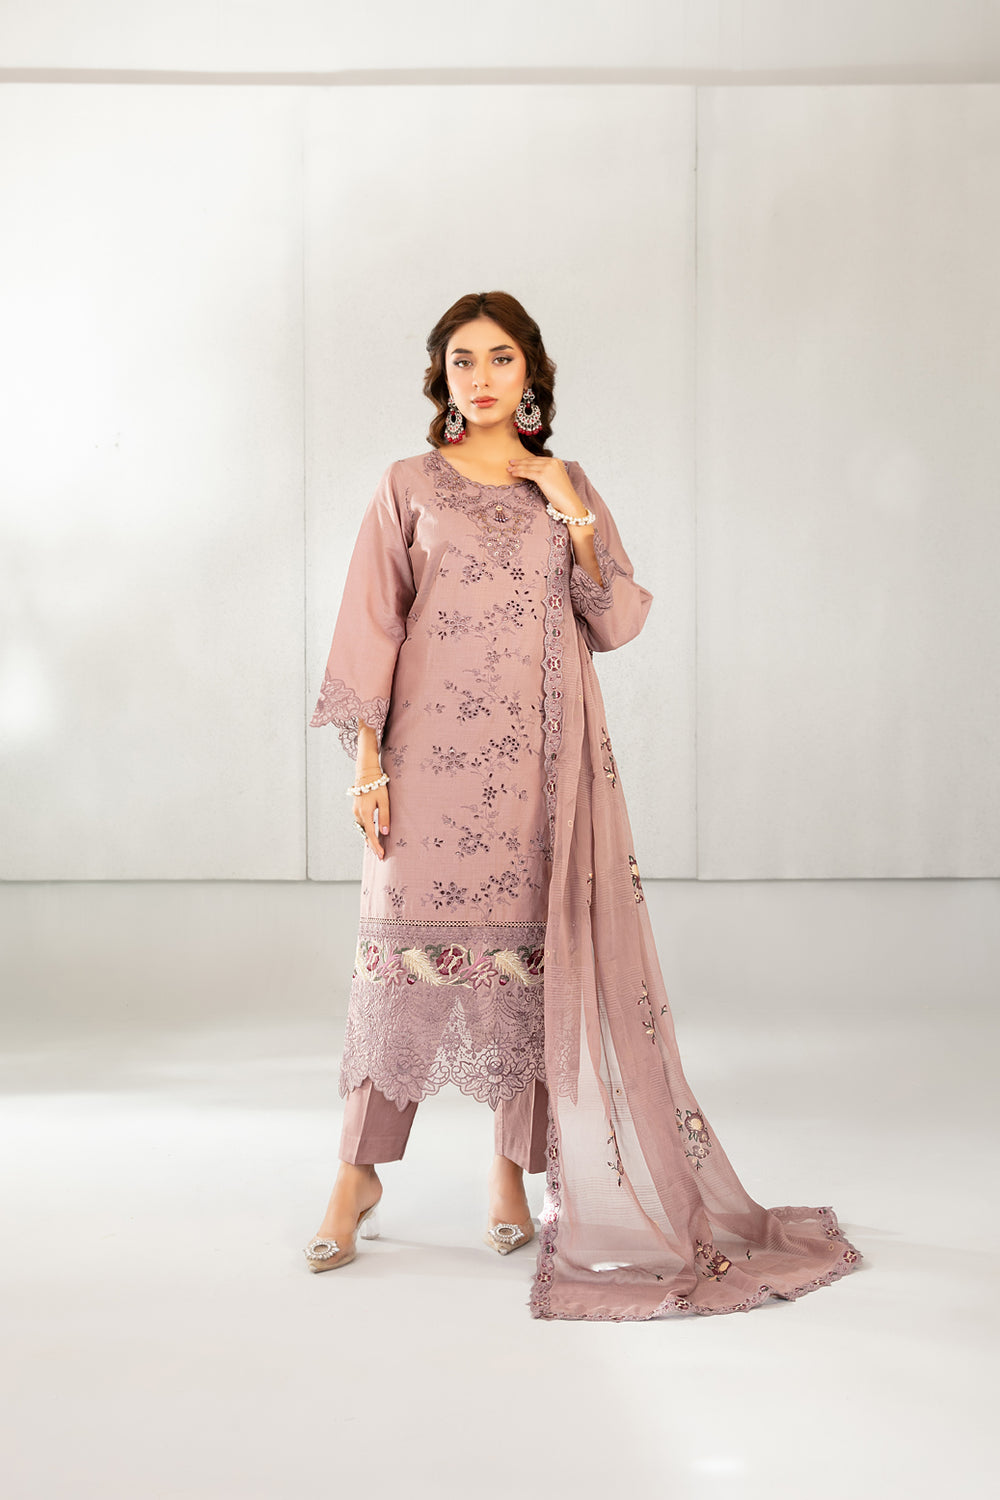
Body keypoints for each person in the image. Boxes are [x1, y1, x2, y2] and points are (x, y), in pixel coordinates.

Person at [303, 290, 863, 1320]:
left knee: (531, 975)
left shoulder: (566, 485)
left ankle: (508, 1177)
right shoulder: (406, 484)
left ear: (530, 374)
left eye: (499, 359)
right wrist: (368, 766)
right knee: (396, 974)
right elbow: (370, 625)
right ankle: (357, 1175)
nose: (480, 377)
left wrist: (569, 505)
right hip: (426, 768)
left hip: (539, 773)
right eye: (463, 360)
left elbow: (611, 618)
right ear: (441, 377)